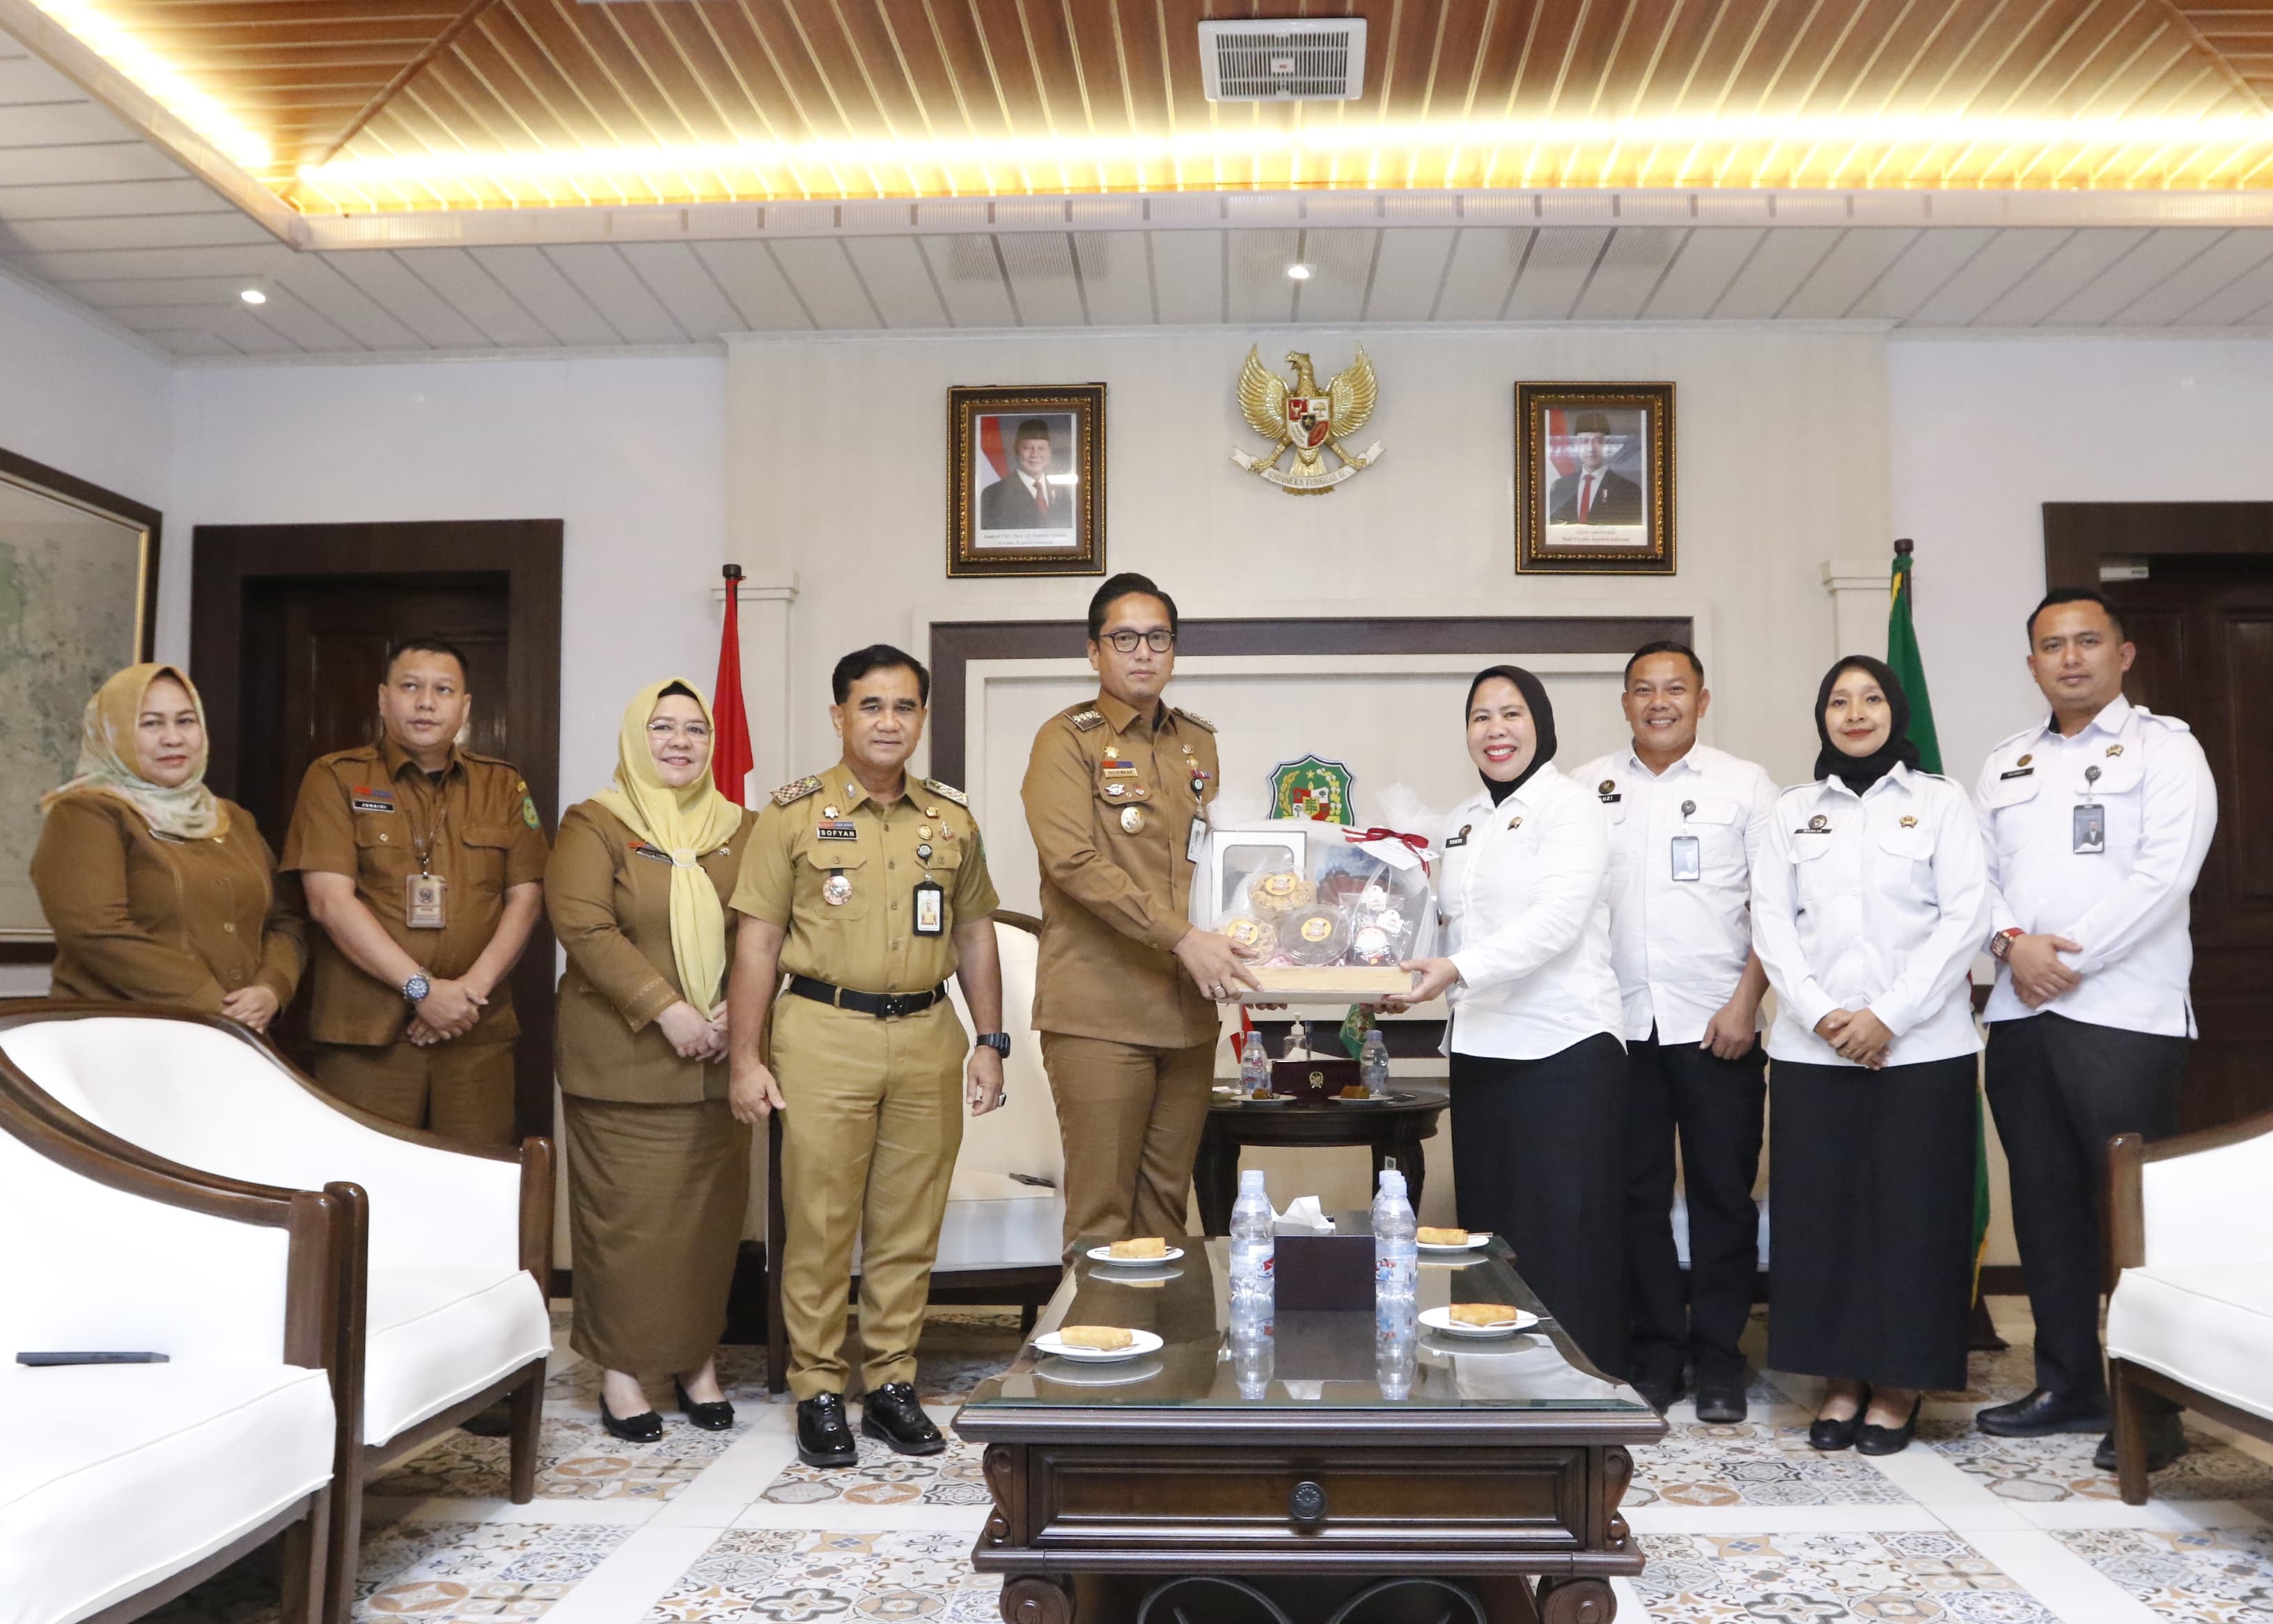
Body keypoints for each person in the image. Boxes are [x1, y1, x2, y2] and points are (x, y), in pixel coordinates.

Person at [726, 645, 1009, 1469]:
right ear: (839, 715)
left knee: (908, 1224)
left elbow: (975, 933)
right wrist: (745, 1057)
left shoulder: (951, 819)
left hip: (928, 1034)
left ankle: (890, 1385)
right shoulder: (792, 815)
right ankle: (818, 1387)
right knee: (818, 1224)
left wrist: (990, 1041)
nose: (890, 722)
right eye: (872, 705)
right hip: (823, 1033)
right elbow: (757, 942)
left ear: (922, 716)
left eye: (906, 706)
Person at [1973, 588, 2215, 1474]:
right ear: (2031, 661)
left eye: (2086, 641)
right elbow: (1976, 877)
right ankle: (2069, 1382)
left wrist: (2059, 959)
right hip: (2021, 1019)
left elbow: (2164, 876)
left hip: (2123, 1014)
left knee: (2127, 1222)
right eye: (2050, 645)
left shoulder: (2167, 750)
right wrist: (2010, 945)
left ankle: (2153, 1408)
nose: (2069, 658)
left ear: (2125, 652)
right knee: (2045, 1209)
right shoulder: (2005, 763)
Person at [1751, 655, 1990, 1457]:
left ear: (1896, 712)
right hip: (1815, 1053)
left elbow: (1965, 917)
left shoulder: (1941, 802)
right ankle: (1840, 1378)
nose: (1855, 713)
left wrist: (1887, 1015)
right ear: (1822, 716)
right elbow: (1772, 925)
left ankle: (1898, 1384)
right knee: (1825, 1222)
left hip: (1923, 1050)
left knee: (1914, 1220)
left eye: (1871, 699)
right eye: (1840, 701)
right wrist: (1824, 1016)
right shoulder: (1790, 811)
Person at [1388, 665, 1630, 1379]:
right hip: (1484, 1049)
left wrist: (1453, 970)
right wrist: (1389, 976)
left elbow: (1556, 922)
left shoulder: (1572, 806)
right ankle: (1499, 1385)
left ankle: (1583, 1390)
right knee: (1493, 1239)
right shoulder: (1464, 820)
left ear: (1541, 723)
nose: (1496, 730)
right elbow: (1444, 931)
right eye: (1481, 717)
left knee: (1566, 1238)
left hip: (1565, 1050)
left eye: (1512, 714)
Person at [1572, 643, 1777, 1421]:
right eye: (1644, 690)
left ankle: (1721, 1356)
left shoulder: (1745, 785)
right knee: (1636, 1197)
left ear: (1703, 699)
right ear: (1624, 701)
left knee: (1726, 1195)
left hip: (1717, 1024)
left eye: (1676, 690)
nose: (1660, 702)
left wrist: (1745, 1002)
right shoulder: (1584, 788)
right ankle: (1657, 1348)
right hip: (1619, 1030)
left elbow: (1775, 903)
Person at [548, 679, 756, 1444]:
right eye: (662, 728)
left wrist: (743, 1005)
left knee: (706, 1225)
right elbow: (584, 926)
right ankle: (624, 1372)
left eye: (694, 730)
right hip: (625, 1063)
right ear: (638, 737)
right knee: (627, 1228)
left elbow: (772, 927)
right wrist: (668, 1008)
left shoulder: (744, 829)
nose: (679, 741)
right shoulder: (596, 824)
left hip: (720, 1061)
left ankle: (696, 1360)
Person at [1022, 572, 1253, 1250]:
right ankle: (1094, 1353)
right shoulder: (1066, 740)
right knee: (1103, 1217)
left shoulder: (1197, 743)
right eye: (1125, 638)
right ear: (1095, 652)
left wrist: (1246, 942)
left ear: (1174, 650)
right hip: (1100, 1010)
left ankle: (1160, 1357)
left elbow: (1210, 862)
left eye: (1158, 638)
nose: (1143, 651)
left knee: (1164, 1216)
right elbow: (1073, 864)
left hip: (1187, 1011)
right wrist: (1184, 937)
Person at [281, 637, 549, 1146]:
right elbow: (329, 902)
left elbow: (527, 900)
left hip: (474, 1033)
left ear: (465, 706)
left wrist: (463, 995)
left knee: (476, 1188)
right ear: (384, 699)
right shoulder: (336, 778)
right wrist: (423, 991)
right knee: (366, 1189)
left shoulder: (503, 786)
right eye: (410, 687)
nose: (426, 702)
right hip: (369, 1040)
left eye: (443, 690)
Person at [33, 662, 303, 1028]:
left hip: (233, 1038)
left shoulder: (233, 819)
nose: (173, 738)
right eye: (151, 723)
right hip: (119, 1037)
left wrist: (271, 989)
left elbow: (287, 921)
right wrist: (213, 1005)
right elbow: (95, 930)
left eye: (186, 721)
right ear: (113, 734)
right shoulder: (86, 812)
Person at [1547, 412, 1643, 525]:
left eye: (1598, 441)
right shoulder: (1560, 486)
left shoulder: (1629, 490)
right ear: (1576, 445)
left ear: (1607, 444)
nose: (1591, 448)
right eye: (1584, 441)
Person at [978, 419, 1068, 531]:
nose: (1035, 455)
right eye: (1028, 448)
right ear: (1016, 451)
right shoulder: (993, 494)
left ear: (1049, 452)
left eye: (1041, 448)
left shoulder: (1063, 493)